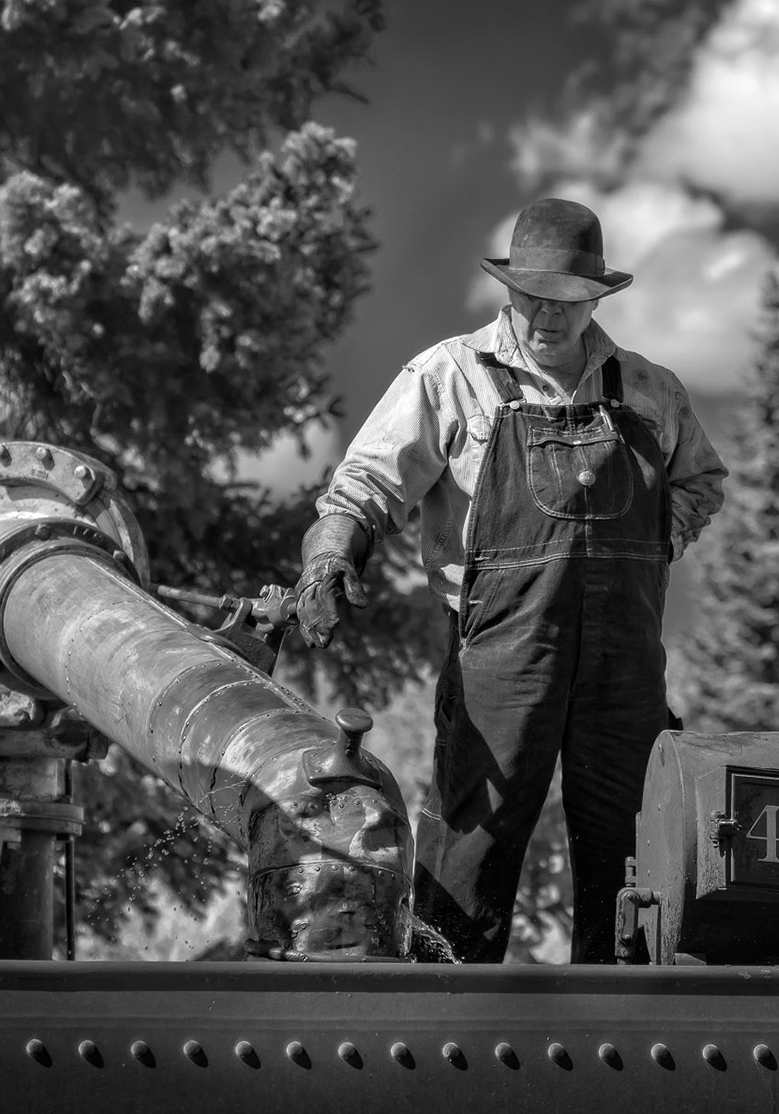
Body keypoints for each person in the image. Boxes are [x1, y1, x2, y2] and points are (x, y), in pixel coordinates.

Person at [295, 197, 727, 963]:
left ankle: (621, 1043)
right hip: (500, 661)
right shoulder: (450, 377)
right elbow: (364, 484)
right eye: (531, 299)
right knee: (469, 855)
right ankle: (447, 1036)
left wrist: (664, 535)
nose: (546, 319)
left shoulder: (650, 390)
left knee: (637, 862)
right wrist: (332, 557)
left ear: (595, 297)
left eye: (566, 302)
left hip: (624, 668)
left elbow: (700, 482)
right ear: (508, 290)